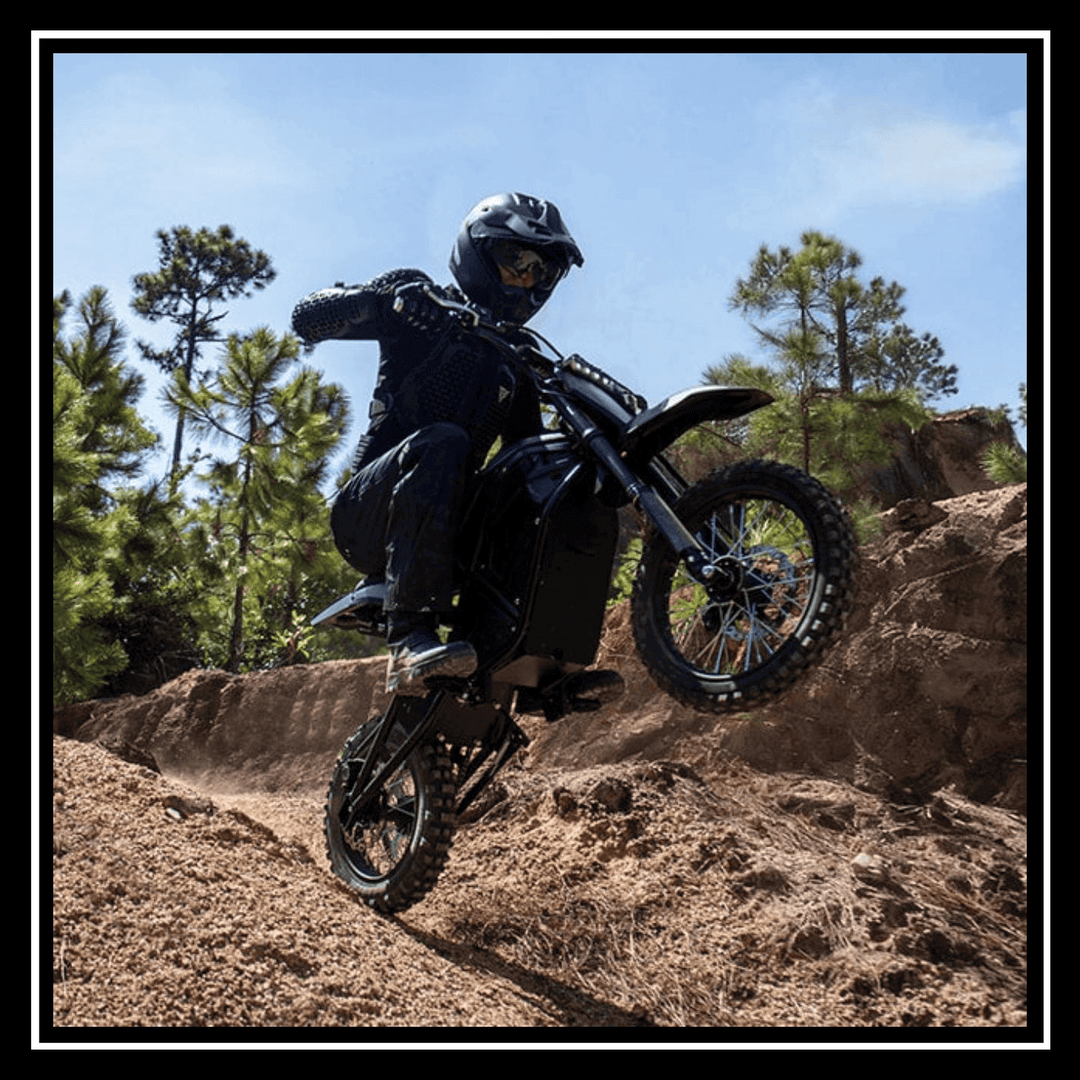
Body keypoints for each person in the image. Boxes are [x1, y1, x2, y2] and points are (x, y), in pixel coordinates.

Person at [292, 193, 584, 691]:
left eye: (543, 271)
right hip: (368, 516)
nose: (529, 279)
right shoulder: (418, 303)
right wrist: (390, 301)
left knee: (542, 491)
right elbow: (307, 318)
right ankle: (408, 639)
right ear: (479, 254)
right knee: (446, 442)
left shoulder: (516, 357)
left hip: (450, 533)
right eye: (517, 262)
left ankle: (538, 663)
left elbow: (527, 456)